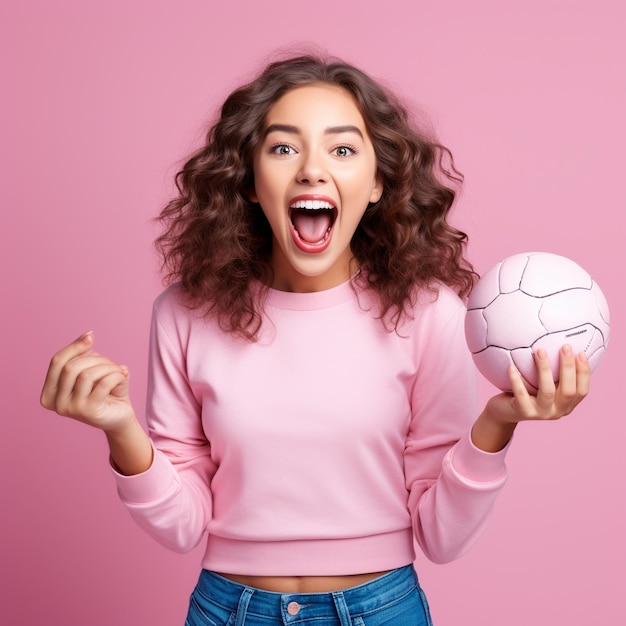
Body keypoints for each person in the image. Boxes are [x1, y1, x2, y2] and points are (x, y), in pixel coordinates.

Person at [40, 54, 590, 626]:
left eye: (343, 149)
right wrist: (120, 428)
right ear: (250, 182)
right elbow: (181, 526)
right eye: (283, 148)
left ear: (378, 183)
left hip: (381, 609)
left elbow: (441, 538)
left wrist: (499, 422)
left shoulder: (431, 315)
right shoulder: (184, 314)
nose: (311, 170)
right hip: (227, 610)